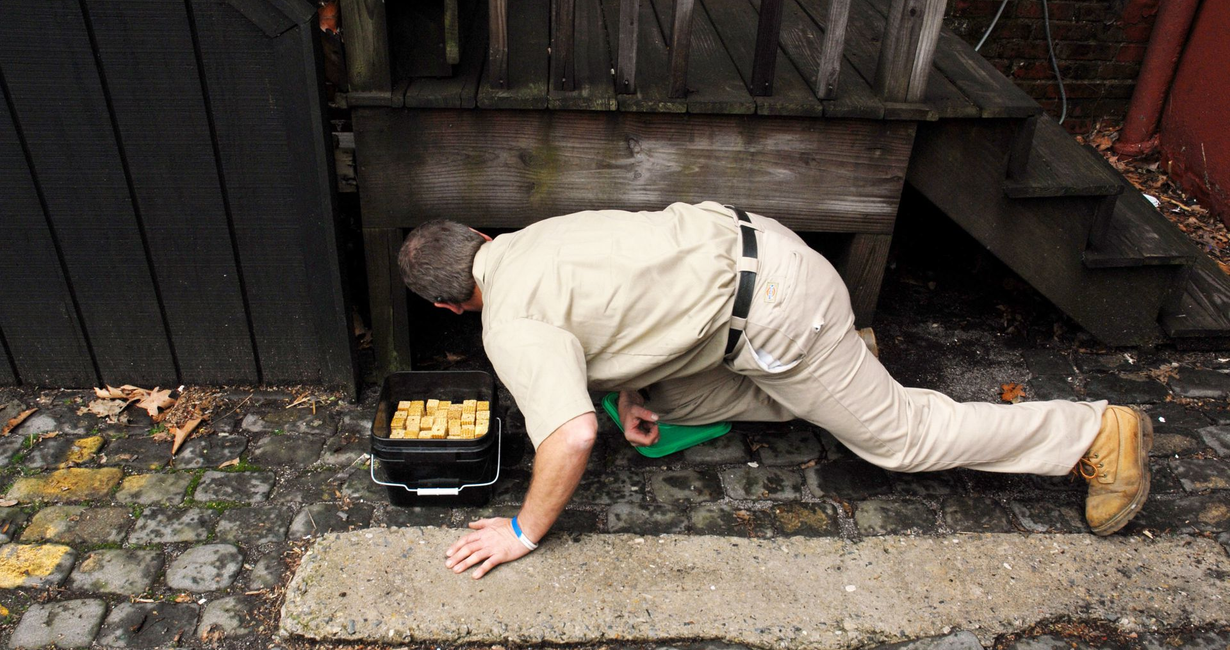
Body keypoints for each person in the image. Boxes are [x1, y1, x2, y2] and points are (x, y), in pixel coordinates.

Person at [396, 201, 1151, 580]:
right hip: (766, 253)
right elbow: (622, 308)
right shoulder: (531, 240)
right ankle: (844, 366)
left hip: (781, 312)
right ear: (480, 241)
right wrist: (627, 391)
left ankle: (1092, 433)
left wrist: (523, 533)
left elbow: (570, 435)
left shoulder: (508, 328)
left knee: (898, 440)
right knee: (673, 406)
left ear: (445, 307)